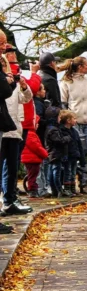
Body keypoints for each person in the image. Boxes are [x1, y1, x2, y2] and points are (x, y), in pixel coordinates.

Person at [59, 56, 87, 191]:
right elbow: (64, 103)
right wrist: (69, 119)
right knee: (78, 154)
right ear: (80, 67)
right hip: (74, 123)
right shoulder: (66, 83)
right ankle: (81, 181)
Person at [0, 54, 31, 215]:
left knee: (12, 167)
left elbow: (26, 99)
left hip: (14, 130)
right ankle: (4, 200)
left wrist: (24, 87)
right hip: (3, 127)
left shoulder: (13, 83)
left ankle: (10, 198)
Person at [44, 110, 77, 198]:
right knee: (56, 172)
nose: (59, 119)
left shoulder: (52, 128)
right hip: (56, 154)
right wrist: (67, 138)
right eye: (58, 117)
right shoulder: (53, 130)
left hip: (54, 154)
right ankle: (58, 190)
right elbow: (59, 141)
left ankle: (55, 190)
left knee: (53, 172)